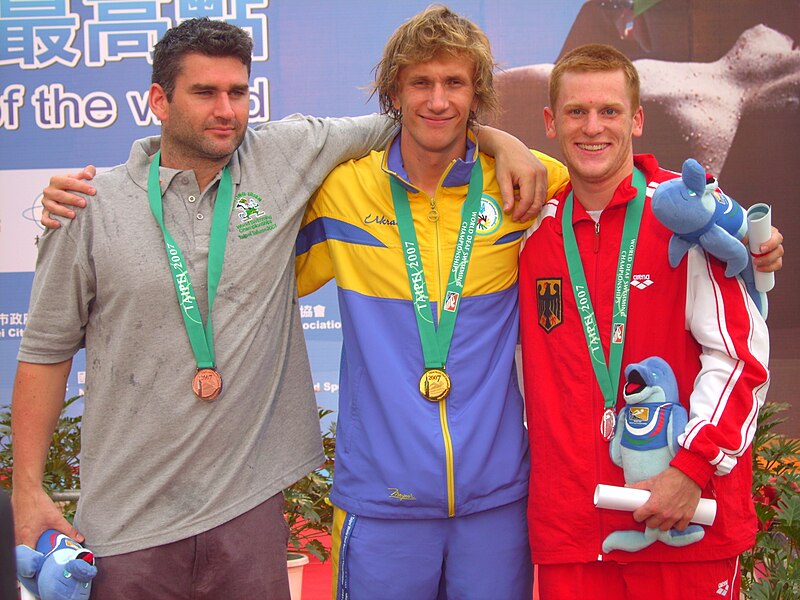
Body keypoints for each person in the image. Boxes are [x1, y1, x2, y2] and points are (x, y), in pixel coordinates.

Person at [11, 17, 547, 600]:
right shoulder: (89, 205)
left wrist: (503, 142)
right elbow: (44, 352)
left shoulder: (282, 158)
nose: (225, 110)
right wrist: (28, 491)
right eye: (204, 92)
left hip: (249, 515)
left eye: (238, 93)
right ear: (159, 101)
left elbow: (426, 122)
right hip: (127, 525)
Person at [294, 6, 569, 599]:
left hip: (494, 499)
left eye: (455, 83)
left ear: (478, 93)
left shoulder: (524, 180)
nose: (438, 100)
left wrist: (738, 236)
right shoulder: (344, 190)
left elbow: (620, 200)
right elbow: (246, 256)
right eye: (421, 82)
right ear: (395, 89)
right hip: (381, 498)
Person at [518, 43, 770, 599]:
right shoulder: (528, 233)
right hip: (574, 531)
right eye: (575, 112)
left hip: (684, 519)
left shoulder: (687, 216)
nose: (593, 127)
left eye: (609, 111)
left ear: (636, 118)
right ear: (550, 123)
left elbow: (741, 358)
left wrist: (692, 468)